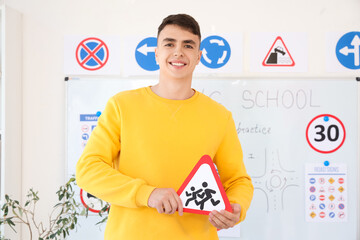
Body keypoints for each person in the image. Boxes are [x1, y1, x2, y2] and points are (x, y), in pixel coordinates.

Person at [76, 13, 253, 240]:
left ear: (199, 56)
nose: (178, 52)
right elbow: (88, 169)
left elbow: (238, 180)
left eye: (188, 45)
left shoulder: (220, 116)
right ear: (157, 53)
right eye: (170, 44)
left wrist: (237, 206)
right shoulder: (122, 106)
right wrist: (147, 194)